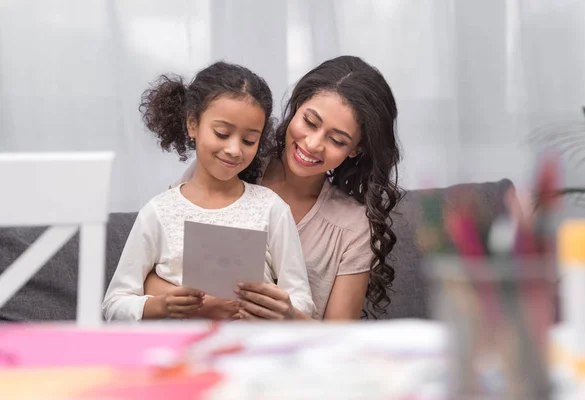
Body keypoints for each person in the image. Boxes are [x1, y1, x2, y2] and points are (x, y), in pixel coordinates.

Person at [145, 55, 403, 320]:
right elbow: (147, 278)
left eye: (337, 140)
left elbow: (339, 339)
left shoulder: (351, 227)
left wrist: (291, 316)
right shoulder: (232, 164)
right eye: (310, 122)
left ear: (355, 150)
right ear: (296, 107)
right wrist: (202, 304)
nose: (313, 144)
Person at [102, 61, 315, 321]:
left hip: (250, 350)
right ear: (193, 124)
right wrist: (161, 306)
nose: (235, 150)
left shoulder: (272, 209)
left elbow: (302, 301)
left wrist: (282, 309)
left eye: (249, 140)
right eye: (222, 133)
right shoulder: (159, 212)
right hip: (182, 352)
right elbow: (114, 304)